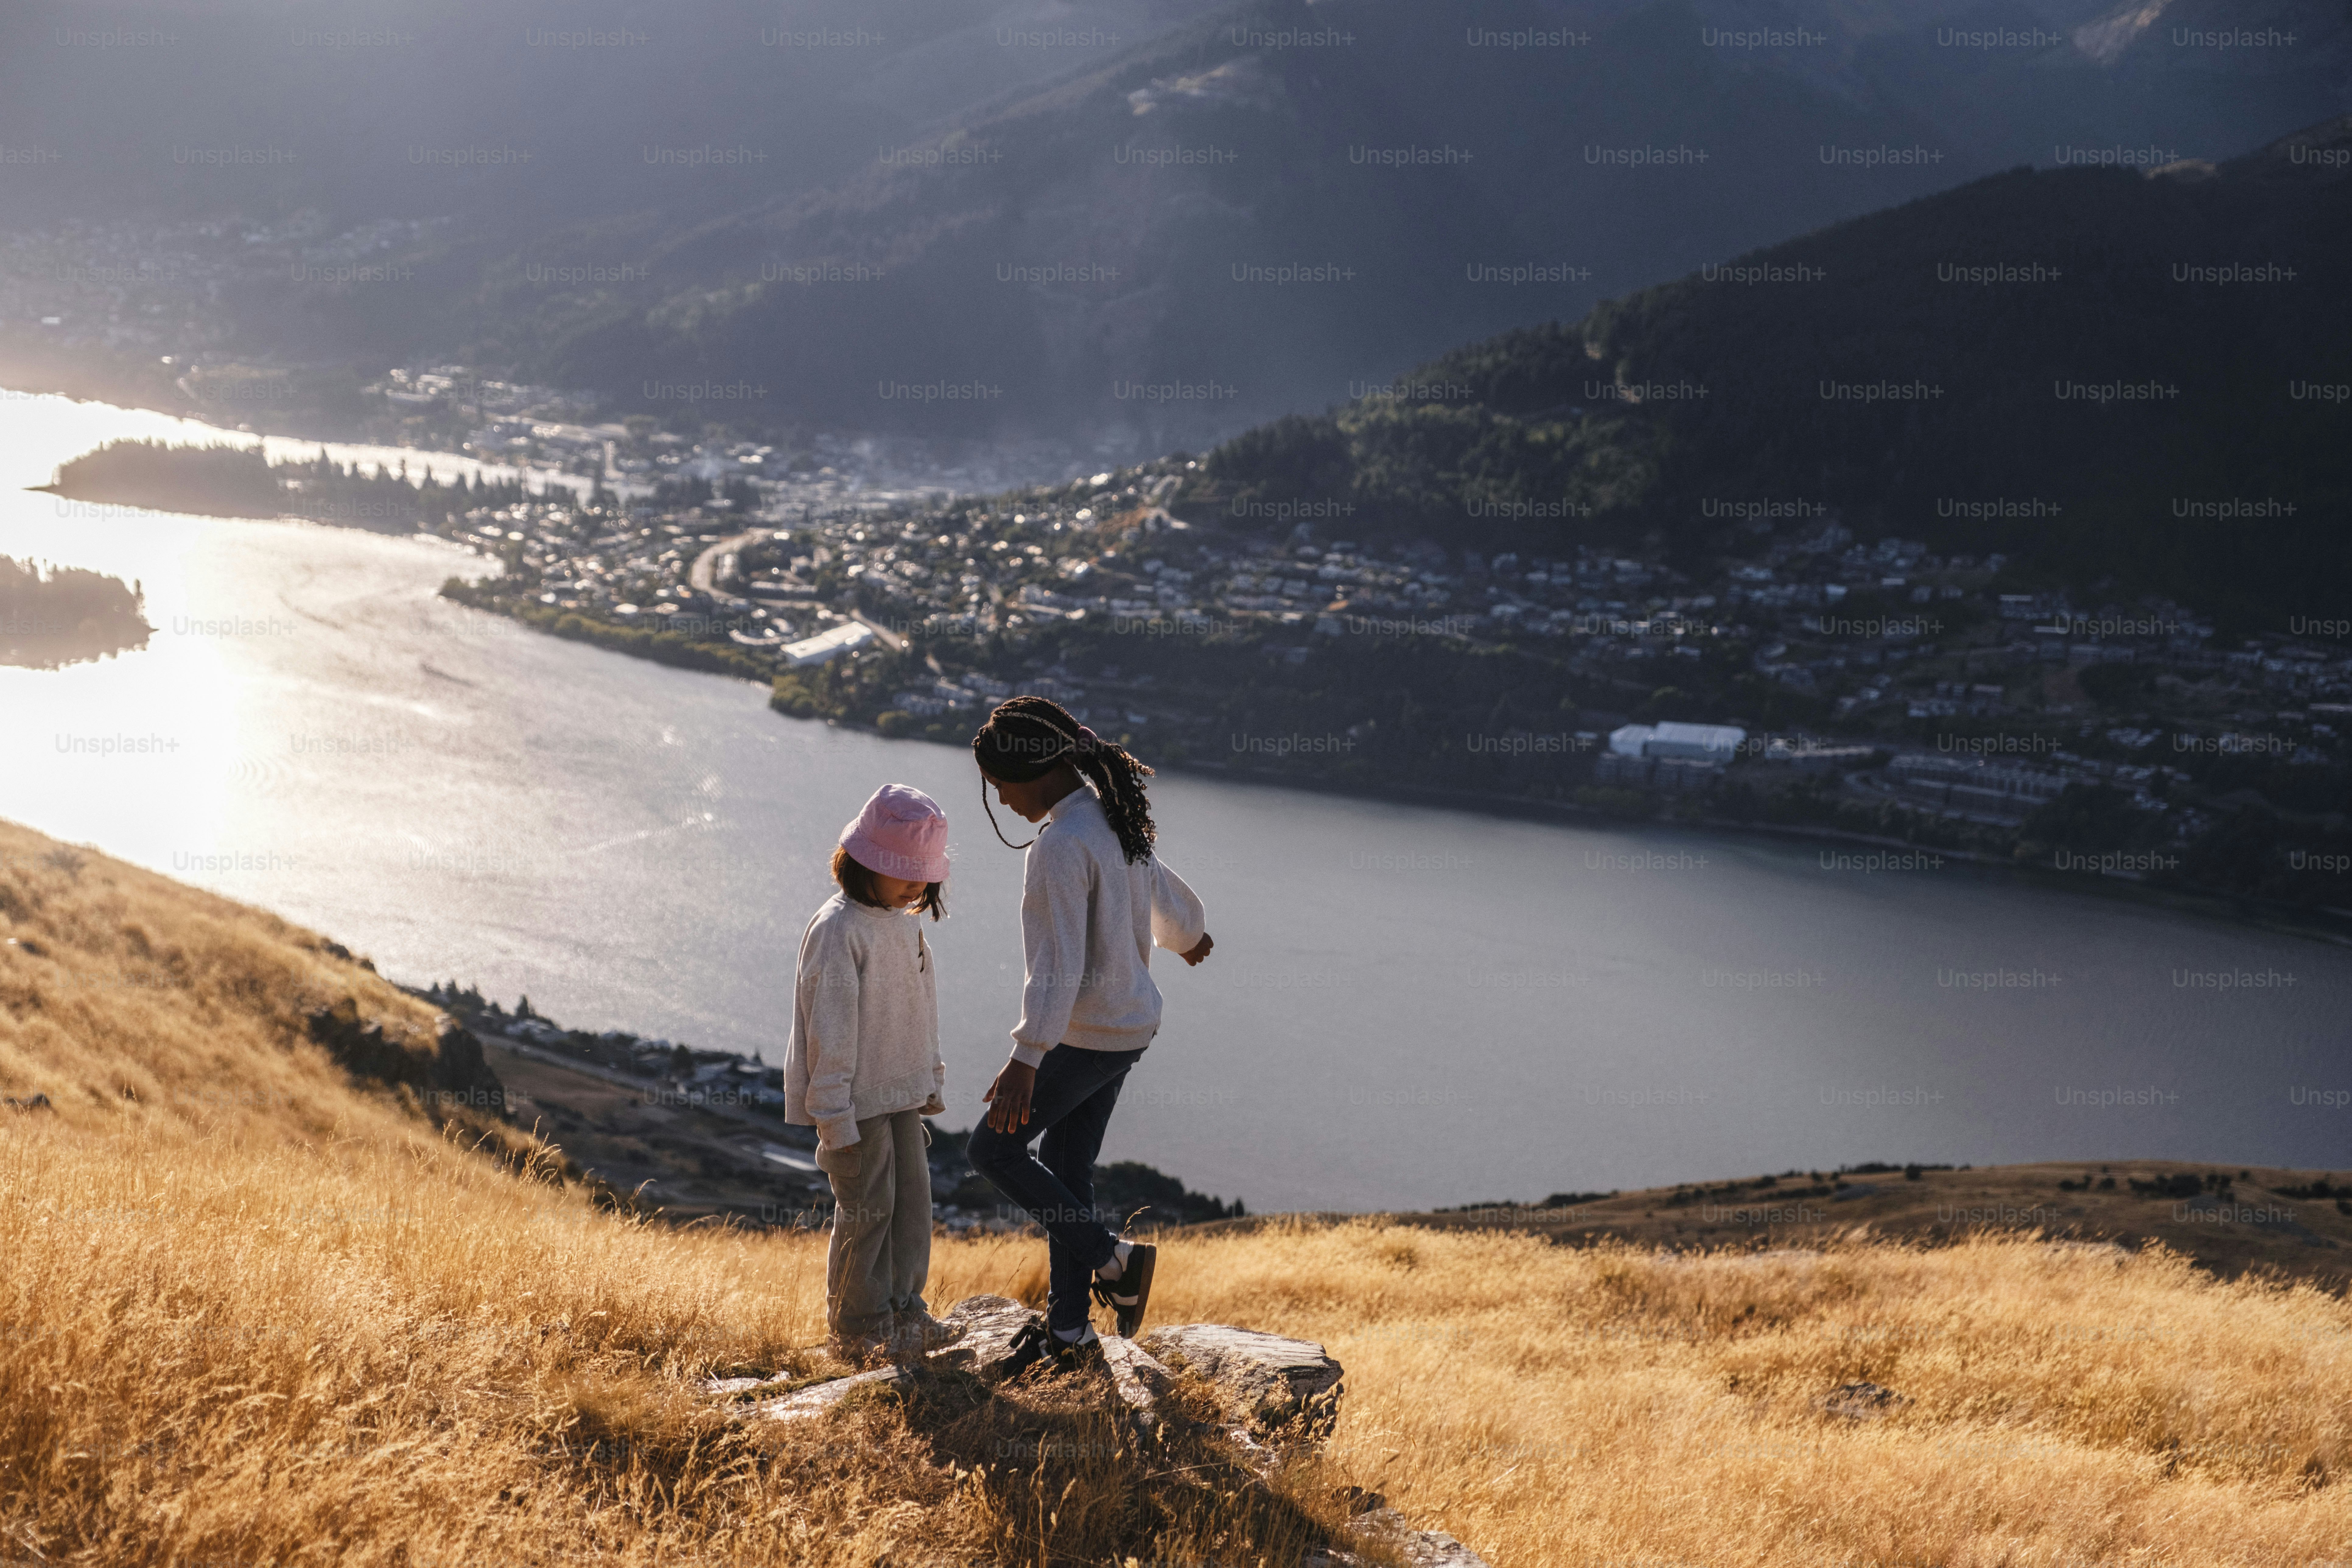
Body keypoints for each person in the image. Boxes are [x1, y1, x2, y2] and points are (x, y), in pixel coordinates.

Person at [964, 696, 1215, 1374]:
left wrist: (1025, 1055)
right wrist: (1189, 936)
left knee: (992, 1148)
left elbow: (1057, 964)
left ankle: (1115, 1259)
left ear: (1038, 772)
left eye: (1002, 785)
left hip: (1087, 1034)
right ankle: (1070, 1334)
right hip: (1130, 1027)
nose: (1002, 799)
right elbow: (1162, 891)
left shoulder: (1060, 845)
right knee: (1069, 1173)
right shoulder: (1109, 815)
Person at [783, 783, 955, 1364]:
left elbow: (921, 1005)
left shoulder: (905, 924)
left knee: (911, 1204)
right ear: (862, 862)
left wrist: (930, 1078)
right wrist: (831, 1116)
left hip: (901, 1095)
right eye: (903, 870)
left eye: (923, 873)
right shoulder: (839, 930)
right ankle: (858, 1323)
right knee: (867, 1210)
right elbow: (827, 1031)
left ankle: (904, 1306)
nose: (917, 884)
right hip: (854, 1105)